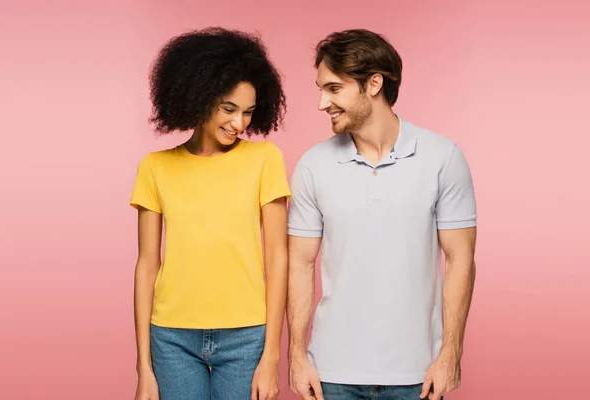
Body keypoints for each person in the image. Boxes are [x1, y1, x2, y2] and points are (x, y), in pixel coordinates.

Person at [286, 29, 477, 400]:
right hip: (331, 374)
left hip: (418, 375)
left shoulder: (443, 158)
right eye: (321, 89)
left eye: (333, 89)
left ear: (373, 84)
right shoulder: (313, 165)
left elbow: (460, 260)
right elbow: (299, 264)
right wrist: (296, 355)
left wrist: (451, 352)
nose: (322, 102)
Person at [130, 27, 291, 400]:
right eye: (229, 109)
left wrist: (271, 357)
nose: (239, 124)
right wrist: (144, 367)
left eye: (248, 112)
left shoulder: (265, 160)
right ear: (198, 97)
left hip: (246, 336)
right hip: (171, 337)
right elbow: (146, 265)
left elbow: (278, 257)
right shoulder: (155, 167)